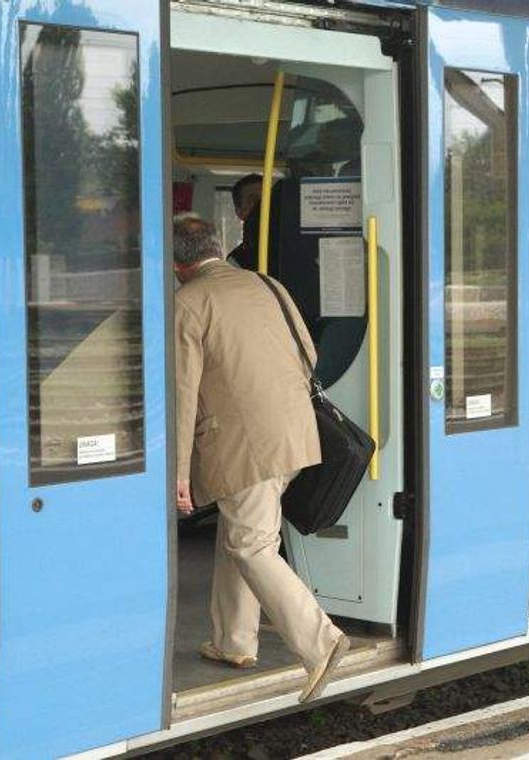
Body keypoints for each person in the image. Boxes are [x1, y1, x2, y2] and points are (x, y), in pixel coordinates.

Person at [172, 214, 350, 703]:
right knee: (243, 531)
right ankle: (234, 641)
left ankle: (322, 642)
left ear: (176, 264)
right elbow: (308, 353)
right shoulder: (266, 284)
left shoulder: (187, 302)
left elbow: (183, 393)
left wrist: (178, 472)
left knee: (252, 544)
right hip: (295, 432)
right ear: (215, 245)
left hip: (243, 444)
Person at [227, 174, 262, 270]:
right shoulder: (236, 262)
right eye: (254, 200)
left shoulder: (292, 241)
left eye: (268, 199)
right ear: (239, 211)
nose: (262, 206)